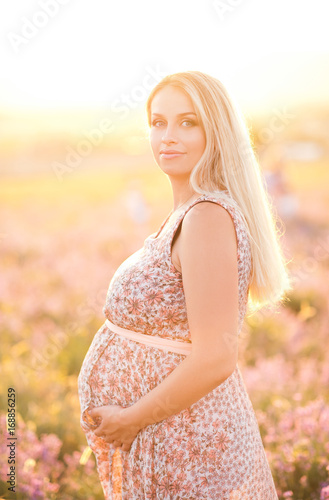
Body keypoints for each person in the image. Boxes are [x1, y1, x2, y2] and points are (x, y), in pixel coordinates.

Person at [78, 70, 291, 499]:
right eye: (158, 122)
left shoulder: (207, 217)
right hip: (172, 439)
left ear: (217, 132)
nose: (168, 136)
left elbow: (217, 357)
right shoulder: (190, 213)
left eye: (187, 122)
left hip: (187, 445)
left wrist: (133, 418)